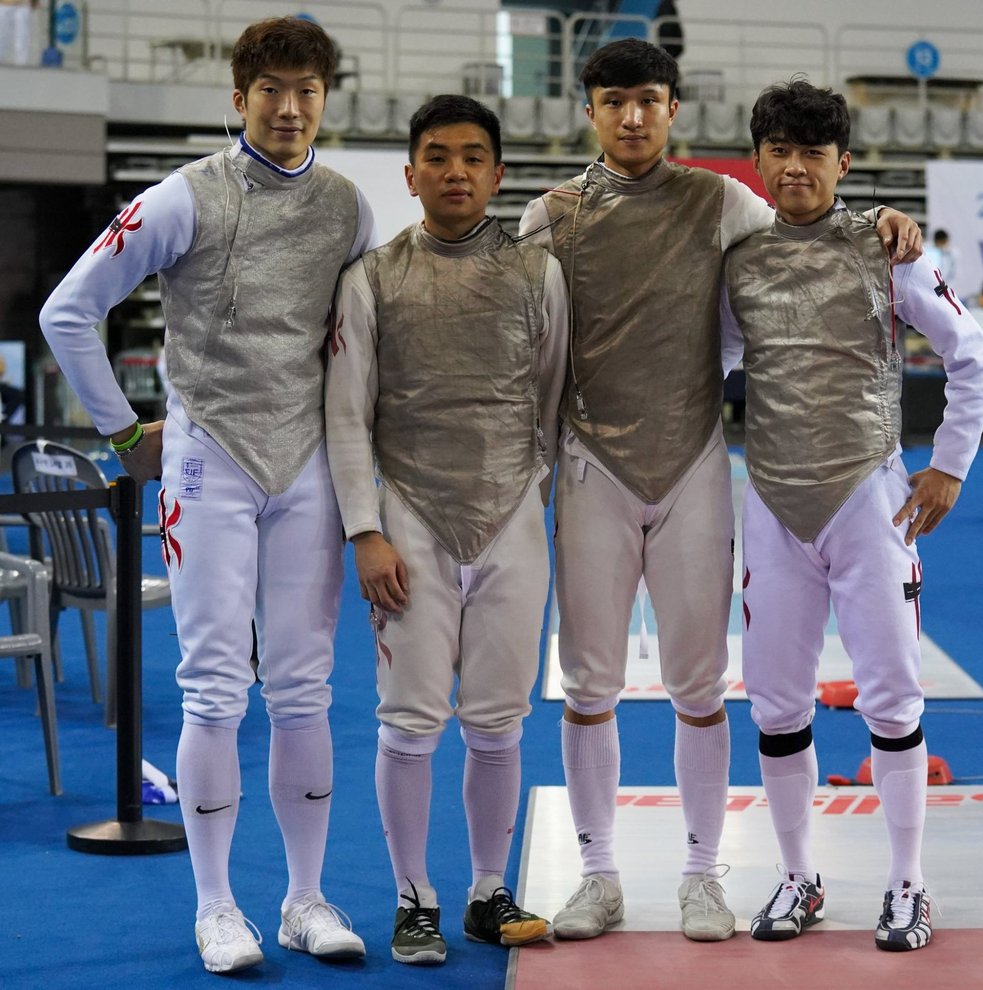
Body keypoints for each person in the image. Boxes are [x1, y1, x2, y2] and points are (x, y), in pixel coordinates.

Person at [517, 37, 922, 943]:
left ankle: (704, 874)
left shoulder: (723, 199)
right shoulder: (551, 217)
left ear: (672, 109)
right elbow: (529, 361)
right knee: (588, 684)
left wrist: (885, 218)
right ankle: (598, 874)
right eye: (614, 100)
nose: (632, 117)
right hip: (591, 470)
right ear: (589, 109)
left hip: (699, 464)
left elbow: (806, 231)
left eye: (649, 101)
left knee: (700, 684)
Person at [39, 16, 376, 975]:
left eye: (306, 88)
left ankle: (306, 900)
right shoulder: (182, 198)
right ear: (239, 99)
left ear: (324, 99)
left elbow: (362, 346)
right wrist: (119, 427)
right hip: (207, 462)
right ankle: (217, 907)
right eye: (269, 88)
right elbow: (68, 309)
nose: (288, 105)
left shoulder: (349, 207)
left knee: (306, 691)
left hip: (306, 464)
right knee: (217, 690)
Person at [720, 78, 983, 952]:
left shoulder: (889, 252)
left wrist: (948, 469)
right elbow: (703, 367)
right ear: (758, 160)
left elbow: (972, 353)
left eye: (814, 153)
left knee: (891, 695)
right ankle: (800, 876)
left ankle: (909, 883)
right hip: (771, 503)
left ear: (844, 162)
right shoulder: (742, 261)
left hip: (870, 501)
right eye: (779, 151)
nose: (795, 167)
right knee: (773, 705)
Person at [325, 94, 568, 966]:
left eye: (473, 157)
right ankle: (412, 896)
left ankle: (485, 892)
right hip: (410, 523)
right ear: (411, 174)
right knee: (412, 721)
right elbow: (347, 417)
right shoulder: (373, 278)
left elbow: (549, 395)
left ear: (497, 174)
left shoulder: (537, 272)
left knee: (500, 721)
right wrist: (365, 530)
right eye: (438, 156)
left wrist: (530, 494)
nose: (455, 171)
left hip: (512, 519)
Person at [0, 0, 38, 66]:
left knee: (22, 37)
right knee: (2, 36)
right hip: (3, 4)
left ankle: (22, 63)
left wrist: (35, 2)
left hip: (23, 5)